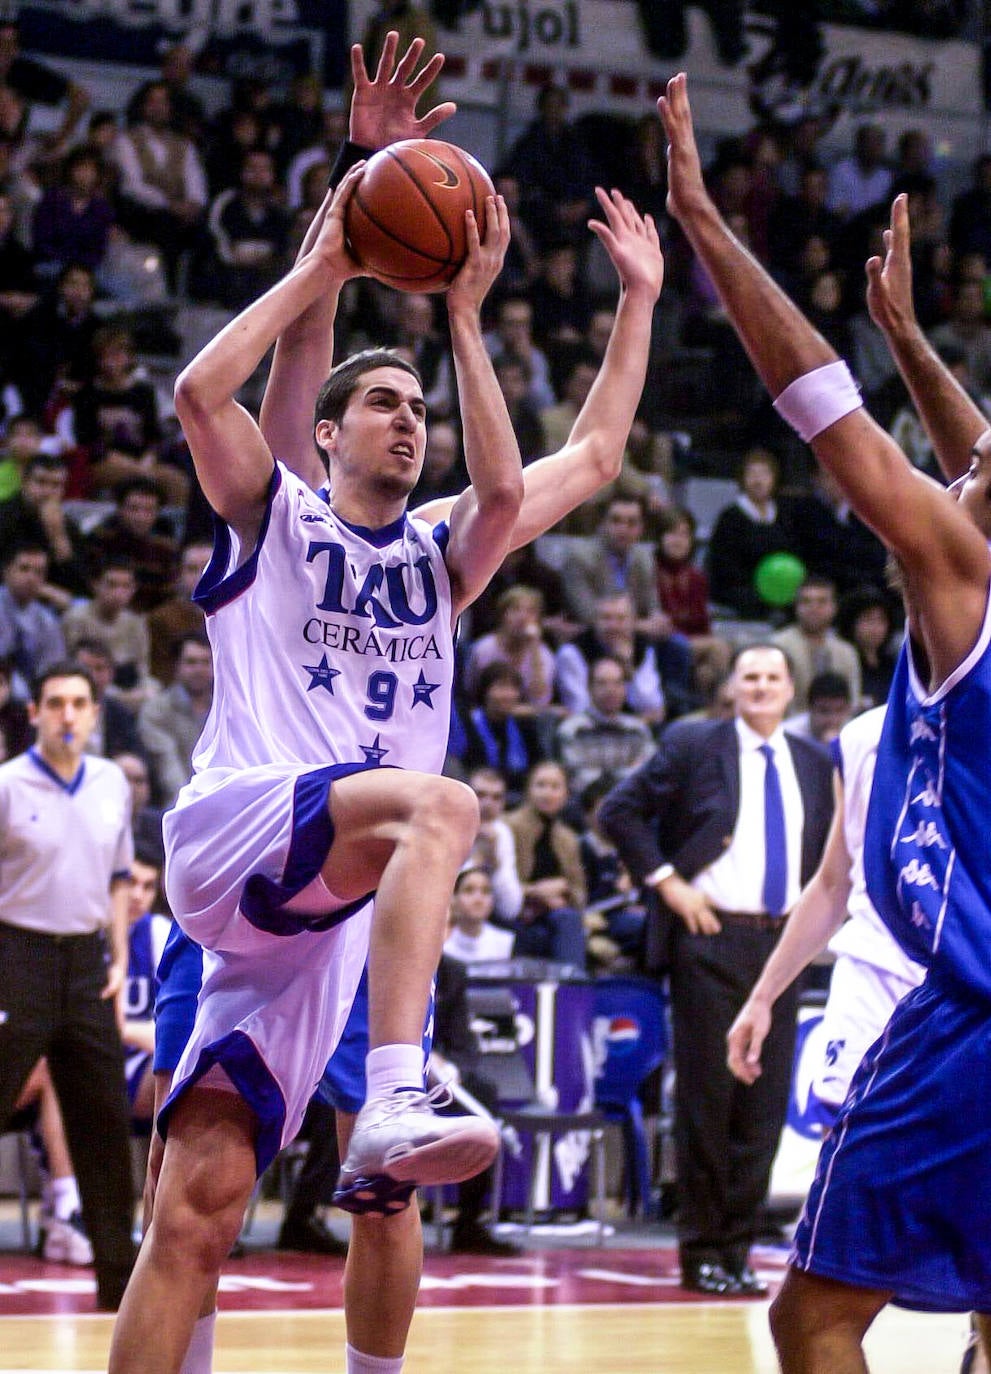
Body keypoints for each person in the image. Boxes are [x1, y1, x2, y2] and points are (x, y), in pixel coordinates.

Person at [130, 31, 665, 1374]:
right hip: (238, 840)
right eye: (377, 403)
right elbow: (227, 376)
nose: (400, 418)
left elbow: (588, 454)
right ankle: (400, 1074)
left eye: (412, 403)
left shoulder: (442, 553)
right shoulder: (272, 510)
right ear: (321, 435)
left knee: (205, 1210)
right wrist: (357, 182)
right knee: (442, 800)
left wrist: (638, 302)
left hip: (331, 909)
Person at [657, 69, 991, 1366]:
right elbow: (965, 452)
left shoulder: (958, 588)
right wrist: (907, 336)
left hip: (961, 1018)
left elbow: (822, 413)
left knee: (807, 1315)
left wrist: (703, 222)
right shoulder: (969, 556)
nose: (957, 467)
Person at [598, 643, 833, 1296]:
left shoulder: (815, 762)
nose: (760, 687)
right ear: (732, 688)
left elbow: (828, 855)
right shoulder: (695, 743)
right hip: (709, 939)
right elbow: (617, 812)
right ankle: (701, 1250)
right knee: (709, 1100)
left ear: (791, 689)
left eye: (771, 677)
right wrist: (670, 885)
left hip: (779, 947)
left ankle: (737, 1247)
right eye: (748, 676)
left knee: (762, 1105)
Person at [0, 660, 136, 1309]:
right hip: (15, 955)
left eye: (79, 703)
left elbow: (118, 875)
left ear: (94, 711)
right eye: (55, 703)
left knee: (103, 1123)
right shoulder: (6, 786)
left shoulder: (111, 782)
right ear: (34, 714)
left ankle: (118, 1283)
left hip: (86, 964)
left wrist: (118, 958)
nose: (68, 715)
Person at [727, 705, 925, 1137]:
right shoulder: (862, 737)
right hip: (873, 974)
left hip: (965, 981)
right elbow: (834, 882)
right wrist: (763, 997)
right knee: (847, 1152)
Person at [772, 575, 861, 713]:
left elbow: (853, 702)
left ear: (834, 607)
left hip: (837, 727)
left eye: (822, 601)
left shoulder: (846, 652)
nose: (814, 608)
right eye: (806, 601)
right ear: (796, 607)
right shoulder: (777, 647)